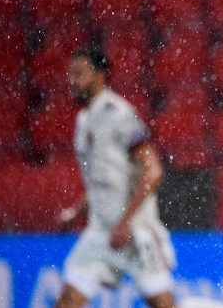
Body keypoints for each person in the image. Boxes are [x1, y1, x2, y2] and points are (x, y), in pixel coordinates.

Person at [56, 48, 176, 308]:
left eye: (79, 74)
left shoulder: (119, 114)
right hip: (101, 232)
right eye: (70, 74)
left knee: (164, 304)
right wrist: (77, 211)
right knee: (66, 302)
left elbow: (153, 171)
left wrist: (125, 222)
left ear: (100, 76)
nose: (72, 81)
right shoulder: (84, 118)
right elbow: (105, 179)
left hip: (135, 232)